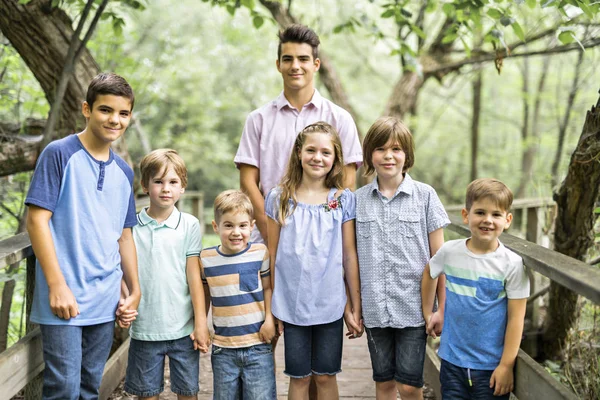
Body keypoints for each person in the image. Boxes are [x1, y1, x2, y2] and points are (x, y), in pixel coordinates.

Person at [25, 72, 141, 399]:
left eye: (123, 113)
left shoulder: (124, 171)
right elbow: (37, 221)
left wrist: (135, 288)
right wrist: (57, 285)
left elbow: (124, 236)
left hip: (105, 295)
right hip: (65, 295)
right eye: (106, 110)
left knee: (91, 386)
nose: (114, 119)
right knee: (63, 387)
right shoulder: (59, 153)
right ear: (86, 109)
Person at [235, 23, 362, 246]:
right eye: (288, 59)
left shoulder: (340, 118)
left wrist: (323, 224)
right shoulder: (258, 120)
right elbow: (247, 181)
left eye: (303, 59)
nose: (295, 66)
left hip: (322, 240)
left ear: (316, 65)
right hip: (266, 238)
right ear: (278, 65)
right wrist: (267, 226)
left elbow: (347, 182)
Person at [265, 121, 362, 400]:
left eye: (325, 152)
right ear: (298, 152)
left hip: (330, 303)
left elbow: (348, 254)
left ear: (335, 159)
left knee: (325, 376)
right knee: (298, 378)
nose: (317, 158)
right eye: (311, 150)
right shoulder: (279, 197)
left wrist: (354, 304)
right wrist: (272, 303)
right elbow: (273, 254)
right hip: (291, 304)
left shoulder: (343, 200)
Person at [355, 116, 450, 400]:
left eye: (396, 149)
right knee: (384, 384)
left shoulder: (425, 196)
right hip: (375, 309)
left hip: (414, 309)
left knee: (410, 386)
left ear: (406, 154)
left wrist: (441, 309)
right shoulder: (356, 200)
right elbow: (349, 256)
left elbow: (440, 259)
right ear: (370, 154)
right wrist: (354, 305)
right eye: (381, 149)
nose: (388, 156)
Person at [422, 178, 530, 399]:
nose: (487, 220)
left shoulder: (512, 264)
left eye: (496, 215)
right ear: (466, 215)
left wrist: (506, 365)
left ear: (507, 220)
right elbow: (428, 273)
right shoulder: (450, 252)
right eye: (480, 212)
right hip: (452, 361)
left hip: (490, 367)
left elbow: (516, 320)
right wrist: (429, 312)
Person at [123, 149, 210, 400]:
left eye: (173, 182)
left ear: (183, 187)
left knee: (188, 393)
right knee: (147, 394)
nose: (165, 189)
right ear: (144, 185)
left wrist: (201, 322)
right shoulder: (131, 227)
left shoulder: (189, 225)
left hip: (183, 329)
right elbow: (122, 271)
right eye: (158, 181)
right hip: (144, 329)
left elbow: (195, 278)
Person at [200, 190, 277, 399]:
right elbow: (205, 294)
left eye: (242, 225)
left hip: (257, 346)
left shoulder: (259, 253)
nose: (236, 232)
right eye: (228, 225)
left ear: (251, 226)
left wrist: (270, 320)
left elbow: (268, 288)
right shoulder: (206, 259)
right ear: (216, 227)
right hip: (223, 349)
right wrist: (203, 325)